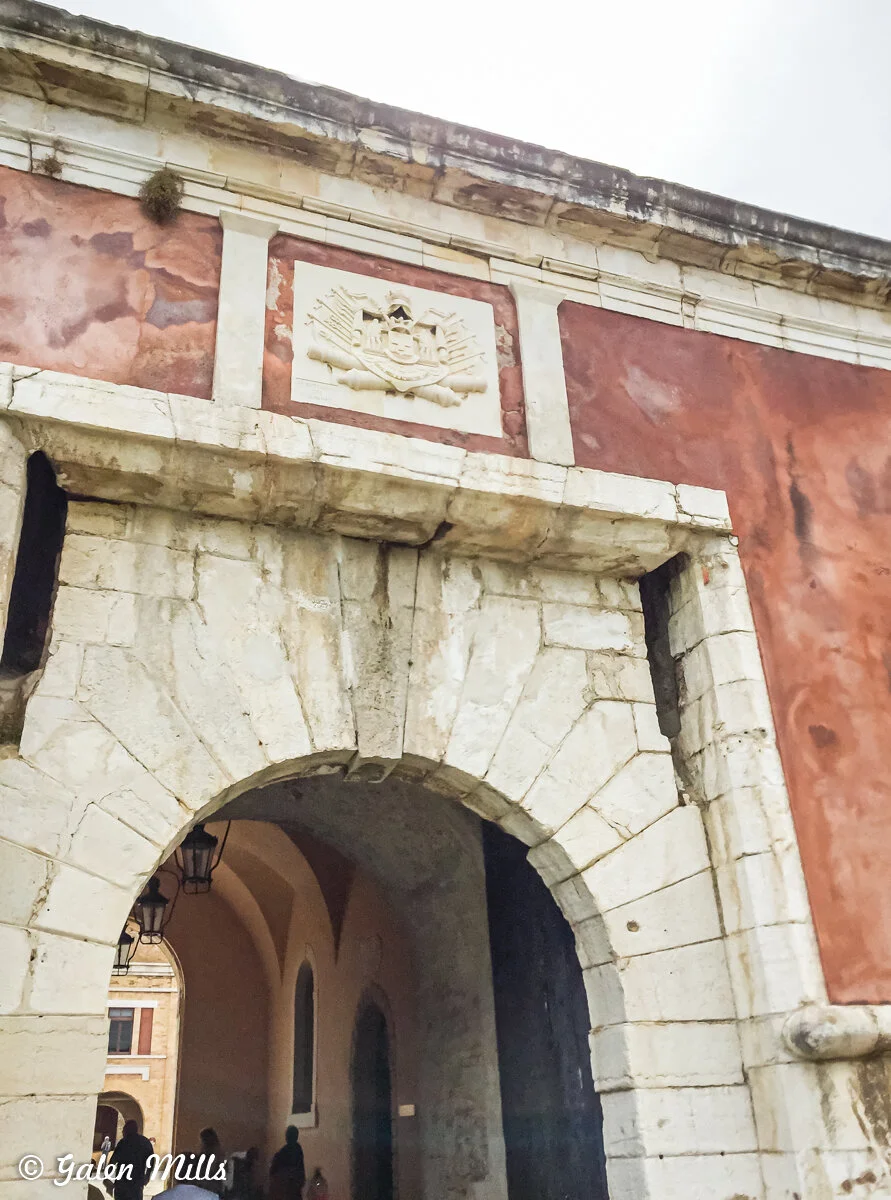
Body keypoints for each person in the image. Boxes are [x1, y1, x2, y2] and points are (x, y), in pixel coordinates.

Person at [104, 1120, 153, 1200]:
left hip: (122, 1184)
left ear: (127, 1130)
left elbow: (113, 1161)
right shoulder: (145, 1142)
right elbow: (151, 1161)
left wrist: (106, 1176)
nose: (123, 1132)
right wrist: (147, 1176)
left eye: (124, 1130)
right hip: (137, 1183)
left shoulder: (123, 1143)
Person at [268, 1126, 305, 1200]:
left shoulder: (283, 1153)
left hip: (288, 1188)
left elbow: (273, 1171)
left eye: (288, 1135)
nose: (286, 1137)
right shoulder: (296, 1149)